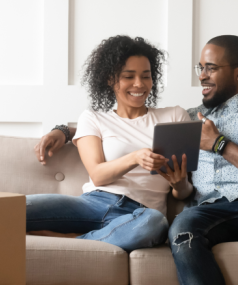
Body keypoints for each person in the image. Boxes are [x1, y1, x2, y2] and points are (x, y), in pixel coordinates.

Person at [38, 35, 238, 285]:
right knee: (182, 226)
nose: (201, 75)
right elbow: (125, 124)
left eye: (211, 68)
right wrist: (65, 130)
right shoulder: (188, 117)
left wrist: (219, 143)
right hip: (209, 213)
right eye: (201, 68)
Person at [26, 35, 192, 252]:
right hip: (92, 204)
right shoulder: (93, 118)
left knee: (156, 224)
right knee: (12, 208)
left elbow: (184, 190)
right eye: (128, 76)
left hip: (140, 214)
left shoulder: (175, 116)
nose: (139, 84)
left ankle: (73, 241)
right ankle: (98, 238)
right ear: (109, 79)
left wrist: (180, 185)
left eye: (146, 76)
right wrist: (135, 157)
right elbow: (98, 174)